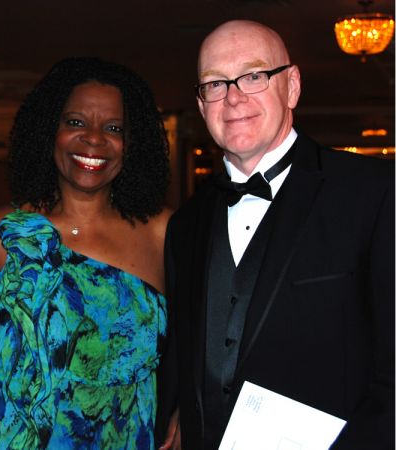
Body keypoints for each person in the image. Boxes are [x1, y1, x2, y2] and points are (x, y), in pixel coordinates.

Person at [158, 20, 394, 450]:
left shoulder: (375, 193)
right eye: (215, 83)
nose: (233, 98)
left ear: (292, 86)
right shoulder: (184, 225)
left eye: (253, 76)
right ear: (200, 101)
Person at [0, 57, 171, 449]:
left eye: (113, 128)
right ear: (48, 132)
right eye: (75, 122)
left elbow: (217, 339)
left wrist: (187, 410)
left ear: (132, 143)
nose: (93, 138)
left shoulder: (163, 234)